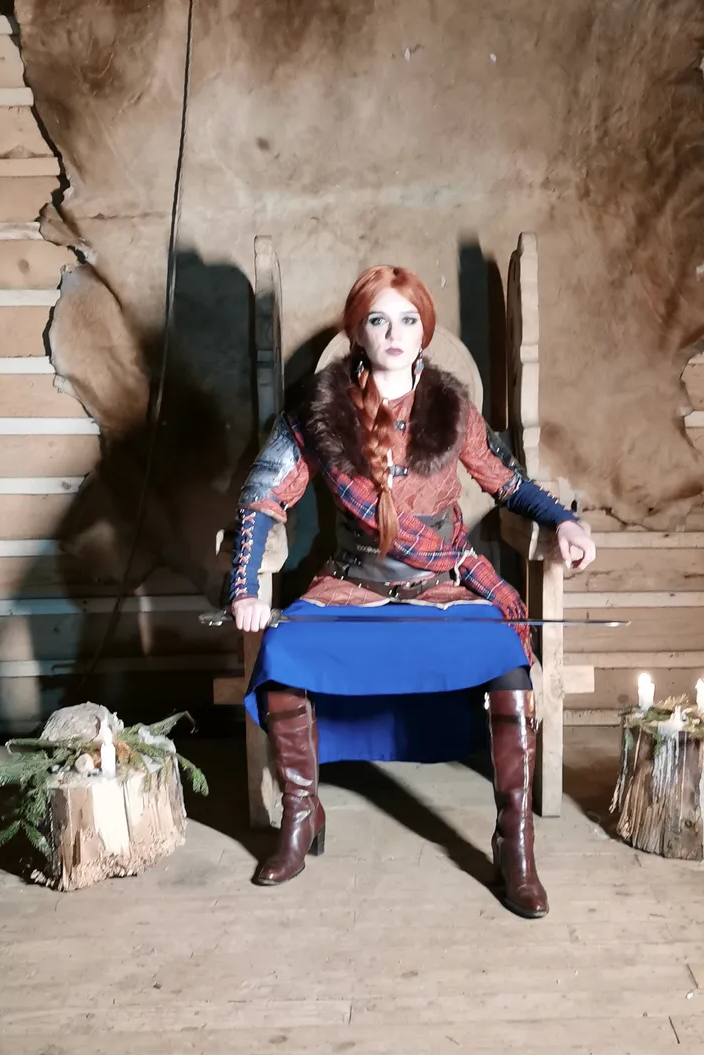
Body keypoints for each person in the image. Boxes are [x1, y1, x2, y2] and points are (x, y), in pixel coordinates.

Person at [230, 265, 595, 917]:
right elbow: (263, 495)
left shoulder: (452, 407)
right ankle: (301, 814)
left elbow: (508, 482)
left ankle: (514, 842)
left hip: (440, 585)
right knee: (282, 655)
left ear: (424, 329)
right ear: (357, 331)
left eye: (407, 320)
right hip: (351, 582)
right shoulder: (318, 408)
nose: (394, 333)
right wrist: (245, 588)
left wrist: (563, 521)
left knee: (508, 662)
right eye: (378, 320)